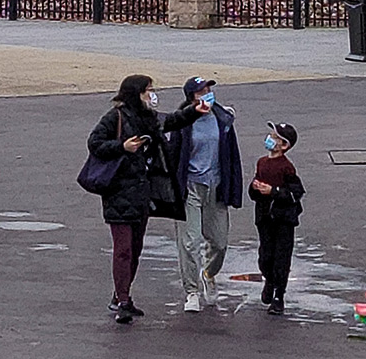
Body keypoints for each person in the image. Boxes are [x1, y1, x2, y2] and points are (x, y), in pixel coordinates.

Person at [85, 74, 208, 325]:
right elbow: (95, 142)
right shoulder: (115, 117)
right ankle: (122, 300)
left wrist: (194, 111)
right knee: (123, 250)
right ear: (135, 93)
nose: (152, 95)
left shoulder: (147, 117)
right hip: (118, 193)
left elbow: (170, 121)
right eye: (148, 90)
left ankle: (122, 294)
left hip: (141, 193)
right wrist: (122, 147)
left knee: (136, 248)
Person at [172, 75, 242, 312]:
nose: (207, 94)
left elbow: (232, 157)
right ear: (192, 97)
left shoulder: (223, 118)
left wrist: (233, 188)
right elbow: (173, 155)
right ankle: (191, 291)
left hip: (216, 185)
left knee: (220, 241)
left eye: (209, 89)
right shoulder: (183, 120)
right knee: (190, 242)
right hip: (190, 186)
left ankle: (209, 273)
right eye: (202, 91)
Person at [249, 121, 305, 315]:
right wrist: (255, 188)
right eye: (270, 135)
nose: (270, 139)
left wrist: (274, 191)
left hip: (283, 219)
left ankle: (279, 296)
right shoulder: (262, 163)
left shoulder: (286, 167)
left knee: (281, 257)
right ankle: (269, 281)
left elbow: (295, 192)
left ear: (284, 146)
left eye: (275, 138)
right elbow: (254, 191)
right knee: (266, 256)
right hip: (264, 217)